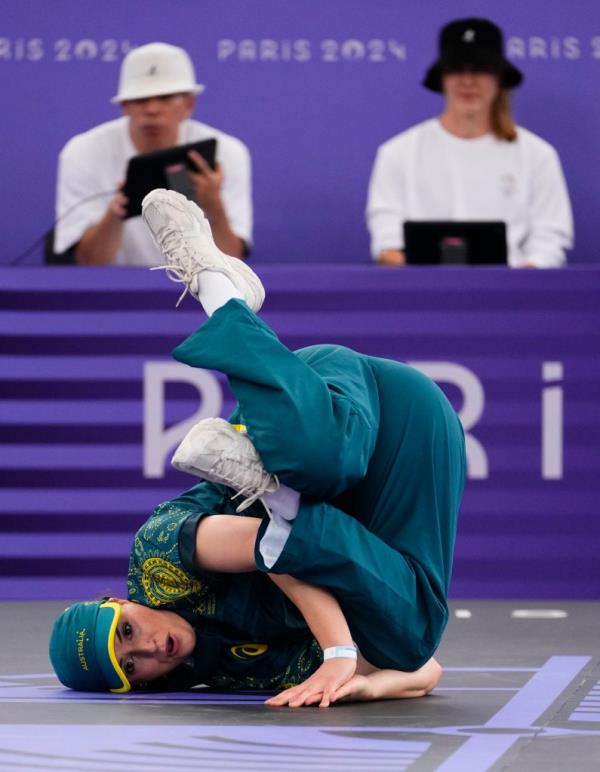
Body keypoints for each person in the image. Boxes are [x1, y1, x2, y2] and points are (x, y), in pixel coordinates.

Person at [49, 189, 465, 707]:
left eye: (126, 632)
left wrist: (337, 651)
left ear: (115, 601)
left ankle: (213, 285)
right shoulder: (235, 673)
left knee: (318, 464)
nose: (150, 649)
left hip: (359, 407)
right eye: (130, 667)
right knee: (408, 637)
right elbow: (425, 668)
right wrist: (366, 683)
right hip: (413, 450)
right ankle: (274, 488)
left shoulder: (157, 560)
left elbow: (265, 549)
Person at [366, 18, 573, 268]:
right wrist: (432, 285)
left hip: (511, 300)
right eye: (456, 69)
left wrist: (513, 286)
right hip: (422, 299)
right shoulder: (398, 153)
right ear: (442, 78)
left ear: (499, 78)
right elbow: (388, 244)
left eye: (480, 69)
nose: (468, 81)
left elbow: (549, 241)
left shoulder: (537, 155)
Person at [53, 43, 252, 266]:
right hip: (116, 290)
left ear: (189, 104)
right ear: (124, 106)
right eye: (140, 100)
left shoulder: (228, 153)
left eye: (165, 98)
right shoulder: (82, 152)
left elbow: (234, 263)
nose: (152, 110)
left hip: (201, 292)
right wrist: (116, 214)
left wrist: (213, 206)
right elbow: (87, 263)